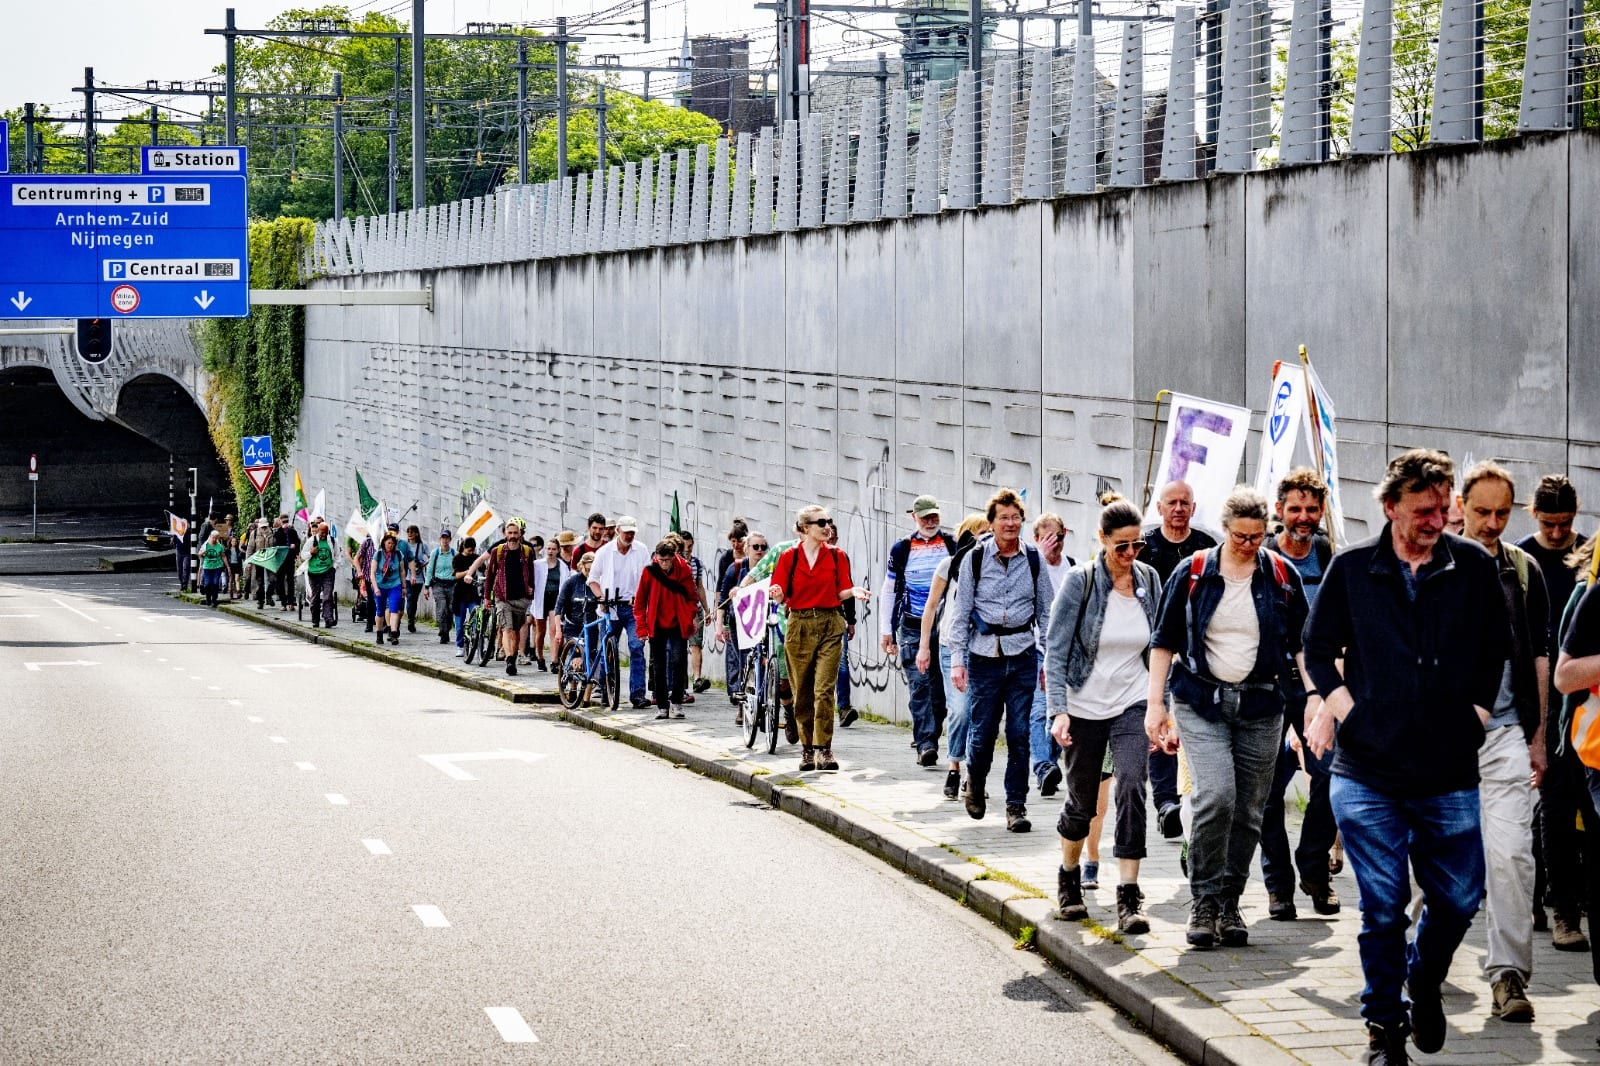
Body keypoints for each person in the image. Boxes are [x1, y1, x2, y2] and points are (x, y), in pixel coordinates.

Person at [1304, 449, 1509, 1065]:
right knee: (1384, 905)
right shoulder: (1352, 568)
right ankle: (1384, 1029)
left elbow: (1494, 651)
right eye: (1424, 509)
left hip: (1448, 771)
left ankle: (1424, 980)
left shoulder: (1471, 567)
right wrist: (1350, 714)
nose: (1436, 519)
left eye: (1443, 508)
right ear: (1391, 506)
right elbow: (1315, 650)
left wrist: (1475, 716)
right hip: (1368, 772)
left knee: (1458, 899)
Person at [1146, 486, 1312, 951]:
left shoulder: (1281, 574)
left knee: (1250, 809)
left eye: (1258, 537)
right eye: (1241, 536)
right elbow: (1163, 641)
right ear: (1225, 530)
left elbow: (1303, 644)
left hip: (1262, 706)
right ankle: (1203, 899)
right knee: (1216, 795)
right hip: (1202, 703)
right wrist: (1155, 706)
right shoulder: (1194, 570)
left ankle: (1229, 902)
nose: (1249, 545)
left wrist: (1314, 701)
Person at [1456, 461, 1549, 1024]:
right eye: (1481, 512)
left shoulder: (1522, 569)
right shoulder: (1434, 563)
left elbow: (1539, 654)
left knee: (1512, 855)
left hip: (1508, 733)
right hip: (1442, 741)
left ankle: (1508, 974)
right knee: (1435, 863)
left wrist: (1538, 735)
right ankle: (1422, 952)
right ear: (1460, 509)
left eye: (1501, 512)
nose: (1492, 523)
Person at [1046, 494, 1163, 934]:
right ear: (1102, 540)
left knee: (1132, 784)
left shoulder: (1149, 580)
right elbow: (1055, 651)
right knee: (1081, 804)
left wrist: (1160, 704)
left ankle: (1129, 895)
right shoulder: (1081, 581)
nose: (1131, 555)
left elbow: (1159, 648)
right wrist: (1058, 710)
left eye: (1137, 545)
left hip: (1131, 703)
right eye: (1122, 547)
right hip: (1083, 707)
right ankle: (1069, 877)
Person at [1257, 468, 1341, 921]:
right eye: (1295, 509)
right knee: (1267, 790)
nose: (1303, 517)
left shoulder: (1329, 556)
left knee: (1332, 774)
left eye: (1311, 509)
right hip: (1270, 684)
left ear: (1322, 510)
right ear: (1279, 511)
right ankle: (1278, 887)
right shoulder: (1263, 557)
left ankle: (1314, 868)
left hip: (1320, 685)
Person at [948, 488, 1055, 832]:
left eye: (1015, 517)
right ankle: (975, 782)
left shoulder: (1034, 559)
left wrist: (1049, 662)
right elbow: (961, 612)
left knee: (1020, 732)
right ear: (991, 523)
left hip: (1023, 655)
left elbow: (1046, 614)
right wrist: (957, 661)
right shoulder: (975, 559)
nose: (1010, 524)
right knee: (982, 734)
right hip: (984, 658)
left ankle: (1016, 806)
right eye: (1003, 518)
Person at [1518, 474, 1593, 952]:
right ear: (1534, 515)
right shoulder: (1523, 559)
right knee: (1556, 807)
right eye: (1549, 523)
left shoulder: (1587, 556)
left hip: (1585, 701)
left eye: (1565, 524)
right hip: (1543, 695)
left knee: (1576, 808)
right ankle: (1560, 907)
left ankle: (1558, 898)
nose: (1557, 533)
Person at [769, 506, 871, 772]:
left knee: (823, 690)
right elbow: (779, 594)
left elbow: (840, 591)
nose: (827, 527)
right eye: (821, 523)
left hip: (829, 623)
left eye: (829, 522)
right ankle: (806, 749)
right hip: (799, 624)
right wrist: (777, 594)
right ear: (804, 528)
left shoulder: (837, 556)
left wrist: (854, 592)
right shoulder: (789, 557)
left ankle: (823, 749)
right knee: (802, 691)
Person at [1143, 480, 1217, 840]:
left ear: (1193, 506)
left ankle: (1189, 801)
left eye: (1184, 502)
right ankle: (1166, 805)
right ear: (1159, 508)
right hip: (1153, 654)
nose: (1178, 508)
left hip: (1194, 658)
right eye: (1171, 502)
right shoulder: (1146, 549)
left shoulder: (1206, 548)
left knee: (1186, 733)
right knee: (1160, 731)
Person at [917, 515, 991, 800]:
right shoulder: (949, 566)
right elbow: (931, 607)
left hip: (984, 649)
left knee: (980, 714)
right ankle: (954, 765)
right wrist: (924, 647)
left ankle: (973, 775)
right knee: (960, 710)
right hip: (952, 646)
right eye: (981, 533)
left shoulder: (997, 567)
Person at [880, 495, 957, 766]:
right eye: (925, 517)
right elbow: (889, 590)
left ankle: (931, 734)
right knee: (919, 685)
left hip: (945, 626)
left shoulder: (951, 545)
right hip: (912, 627)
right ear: (914, 517)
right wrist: (886, 630)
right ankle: (926, 744)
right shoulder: (902, 549)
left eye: (934, 516)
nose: (930, 521)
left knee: (940, 692)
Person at [1030, 512, 1079, 796]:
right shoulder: (1032, 566)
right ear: (1036, 540)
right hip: (1036, 649)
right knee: (1038, 710)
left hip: (1069, 652)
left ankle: (1048, 765)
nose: (1055, 544)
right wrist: (1039, 557)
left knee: (1059, 712)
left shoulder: (1073, 568)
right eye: (1047, 538)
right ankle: (1043, 767)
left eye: (1059, 537)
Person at [635, 537, 700, 719]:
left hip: (679, 621)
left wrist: (690, 615)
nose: (663, 564)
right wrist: (642, 628)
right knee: (659, 665)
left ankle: (677, 702)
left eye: (667, 560)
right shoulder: (649, 571)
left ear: (673, 557)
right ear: (656, 557)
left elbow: (692, 596)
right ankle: (662, 706)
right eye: (660, 560)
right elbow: (640, 602)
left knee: (679, 661)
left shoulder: (684, 569)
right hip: (656, 622)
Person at [589, 516, 650, 707]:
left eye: (632, 533)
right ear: (617, 532)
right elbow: (593, 579)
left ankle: (638, 695)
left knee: (636, 647)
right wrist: (601, 597)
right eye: (626, 532)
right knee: (607, 648)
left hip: (633, 608)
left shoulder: (641, 550)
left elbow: (649, 578)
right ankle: (607, 692)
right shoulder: (605, 552)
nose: (629, 536)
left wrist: (641, 598)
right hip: (610, 607)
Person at [716, 534, 767, 722]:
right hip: (740, 624)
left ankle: (762, 703)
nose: (760, 550)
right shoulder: (736, 568)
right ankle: (742, 706)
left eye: (763, 546)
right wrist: (719, 626)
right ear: (747, 549)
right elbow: (723, 601)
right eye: (755, 547)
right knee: (744, 662)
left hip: (763, 621)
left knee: (764, 660)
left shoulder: (770, 570)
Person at [478, 519, 537, 675]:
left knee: (516, 631)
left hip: (521, 598)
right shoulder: (498, 551)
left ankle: (513, 654)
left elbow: (532, 572)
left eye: (515, 533)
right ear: (505, 534)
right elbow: (490, 576)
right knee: (507, 629)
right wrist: (487, 597)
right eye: (509, 533)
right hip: (502, 597)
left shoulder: (527, 551)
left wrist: (532, 589)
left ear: (520, 535)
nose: (512, 536)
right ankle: (510, 659)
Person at [826, 520, 860, 726]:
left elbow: (848, 589)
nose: (828, 540)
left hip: (837, 617)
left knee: (842, 664)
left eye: (832, 537)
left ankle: (844, 708)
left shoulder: (840, 557)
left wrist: (851, 620)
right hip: (811, 619)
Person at [677, 530, 713, 699]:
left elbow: (699, 586)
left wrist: (706, 609)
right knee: (678, 646)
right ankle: (680, 679)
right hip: (678, 609)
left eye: (690, 546)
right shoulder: (673, 563)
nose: (688, 550)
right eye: (685, 547)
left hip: (695, 607)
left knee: (696, 643)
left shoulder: (696, 563)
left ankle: (697, 678)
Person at [717, 520, 750, 702]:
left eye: (739, 541)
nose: (736, 545)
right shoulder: (729, 561)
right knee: (733, 652)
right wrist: (718, 614)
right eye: (733, 542)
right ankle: (735, 689)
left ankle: (745, 687)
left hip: (751, 614)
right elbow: (721, 588)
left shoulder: (762, 563)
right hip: (733, 612)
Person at [557, 552, 601, 689]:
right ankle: (573, 688)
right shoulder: (572, 582)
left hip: (591, 626)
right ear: (581, 566)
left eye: (592, 570)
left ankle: (586, 698)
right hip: (573, 625)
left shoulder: (598, 582)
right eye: (587, 570)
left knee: (590, 660)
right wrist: (558, 631)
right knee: (577, 658)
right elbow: (559, 606)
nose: (589, 573)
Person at [531, 536, 569, 669]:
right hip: (541, 598)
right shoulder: (537, 565)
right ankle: (540, 656)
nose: (550, 551)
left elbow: (565, 584)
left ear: (558, 550)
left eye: (553, 549)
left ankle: (554, 661)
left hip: (555, 599)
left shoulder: (563, 567)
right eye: (548, 549)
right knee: (540, 631)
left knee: (554, 629)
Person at [368, 529, 408, 645]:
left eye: (392, 543)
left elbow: (402, 571)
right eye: (388, 543)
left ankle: (394, 633)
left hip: (395, 585)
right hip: (380, 585)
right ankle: (379, 633)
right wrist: (375, 588)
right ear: (384, 543)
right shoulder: (378, 554)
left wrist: (404, 586)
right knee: (380, 611)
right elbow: (372, 573)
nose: (390, 545)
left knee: (394, 609)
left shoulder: (398, 554)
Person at [305, 519, 339, 628]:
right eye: (322, 532)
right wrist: (311, 552)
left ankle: (328, 618)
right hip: (314, 573)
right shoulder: (311, 541)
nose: (324, 535)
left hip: (328, 572)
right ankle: (315, 619)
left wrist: (334, 567)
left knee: (327, 596)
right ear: (318, 531)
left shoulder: (332, 541)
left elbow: (337, 556)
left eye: (326, 532)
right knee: (315, 598)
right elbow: (302, 555)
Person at [425, 529, 455, 644]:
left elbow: (458, 569)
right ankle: (443, 631)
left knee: (450, 609)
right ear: (440, 539)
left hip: (451, 584)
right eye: (443, 538)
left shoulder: (454, 553)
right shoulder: (435, 553)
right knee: (441, 607)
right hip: (438, 584)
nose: (445, 540)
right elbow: (429, 570)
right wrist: (427, 587)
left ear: (450, 539)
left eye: (447, 538)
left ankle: (447, 629)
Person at [451, 536, 479, 657]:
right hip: (460, 593)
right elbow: (456, 575)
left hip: (473, 592)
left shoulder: (476, 557)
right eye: (469, 550)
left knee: (476, 620)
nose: (471, 552)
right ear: (464, 547)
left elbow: (483, 568)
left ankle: (475, 644)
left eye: (472, 550)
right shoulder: (457, 558)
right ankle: (460, 645)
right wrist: (469, 571)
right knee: (459, 622)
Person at [272, 514, 302, 613]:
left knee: (290, 581)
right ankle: (283, 603)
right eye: (283, 522)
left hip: (290, 560)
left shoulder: (292, 531)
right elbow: (275, 546)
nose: (285, 523)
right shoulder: (277, 533)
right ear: (280, 522)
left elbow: (298, 542)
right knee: (280, 582)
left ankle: (291, 602)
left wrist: (295, 546)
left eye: (286, 521)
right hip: (281, 561)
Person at [403, 525, 428, 634]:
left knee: (414, 599)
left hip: (419, 578)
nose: (410, 534)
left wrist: (423, 564)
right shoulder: (405, 545)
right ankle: (410, 620)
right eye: (408, 532)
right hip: (408, 576)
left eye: (412, 532)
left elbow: (430, 556)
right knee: (409, 597)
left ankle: (412, 618)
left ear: (416, 534)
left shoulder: (422, 546)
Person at [247, 517, 273, 609]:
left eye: (265, 527)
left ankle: (269, 595)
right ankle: (260, 601)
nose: (264, 528)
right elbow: (250, 548)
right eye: (262, 527)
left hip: (270, 559)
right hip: (258, 559)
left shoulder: (272, 533)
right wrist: (249, 562)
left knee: (273, 579)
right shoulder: (254, 534)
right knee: (259, 581)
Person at [199, 530, 228, 607]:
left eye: (216, 538)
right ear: (210, 537)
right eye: (213, 538)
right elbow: (199, 554)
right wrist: (202, 553)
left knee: (215, 583)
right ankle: (208, 598)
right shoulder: (205, 545)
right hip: (207, 566)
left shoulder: (219, 546)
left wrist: (227, 566)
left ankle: (214, 600)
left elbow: (223, 556)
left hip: (217, 566)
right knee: (208, 583)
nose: (214, 539)